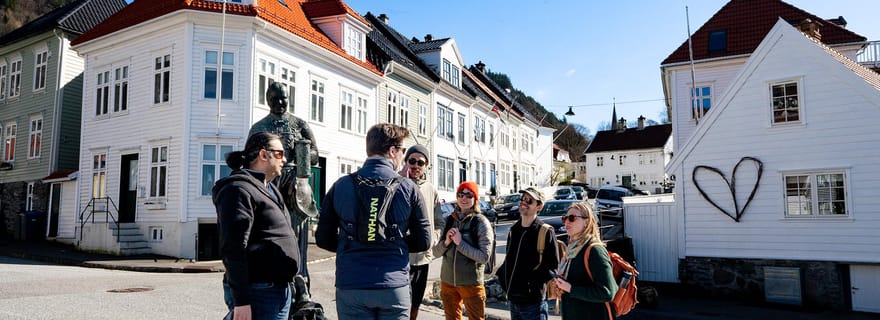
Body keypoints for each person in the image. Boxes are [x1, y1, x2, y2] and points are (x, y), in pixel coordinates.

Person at [316, 123, 432, 320]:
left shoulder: (341, 186)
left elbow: (323, 238)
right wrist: (395, 243)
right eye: (403, 151)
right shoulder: (409, 189)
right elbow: (424, 241)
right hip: (393, 284)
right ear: (392, 151)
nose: (403, 157)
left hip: (352, 283)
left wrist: (353, 243)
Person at [213, 132, 301, 320]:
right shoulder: (238, 189)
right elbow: (233, 247)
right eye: (279, 153)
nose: (284, 159)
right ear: (263, 155)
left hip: (277, 289)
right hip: (259, 291)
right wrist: (242, 301)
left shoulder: (268, 188)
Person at [249, 82, 318, 280]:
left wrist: (303, 153)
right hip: (270, 182)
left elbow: (315, 154)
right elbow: (249, 158)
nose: (279, 103)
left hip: (296, 182)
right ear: (267, 100)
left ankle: (299, 275)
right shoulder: (259, 128)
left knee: (297, 229)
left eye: (283, 99)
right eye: (274, 99)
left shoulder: (300, 125)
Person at [432, 181, 494, 320]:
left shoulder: (481, 222)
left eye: (468, 195)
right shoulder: (448, 221)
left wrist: (460, 243)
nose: (464, 198)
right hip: (448, 283)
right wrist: (447, 242)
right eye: (461, 194)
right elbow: (435, 252)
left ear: (475, 198)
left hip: (471, 284)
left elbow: (484, 257)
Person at [495, 187, 559, 320]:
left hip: (533, 303)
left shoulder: (545, 232)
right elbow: (509, 260)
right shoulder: (514, 229)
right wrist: (503, 280)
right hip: (513, 300)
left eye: (529, 200)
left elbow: (552, 267)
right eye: (522, 199)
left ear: (539, 207)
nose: (524, 202)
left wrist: (531, 285)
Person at [399, 144, 444, 320]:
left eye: (420, 162)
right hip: (400, 256)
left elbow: (439, 221)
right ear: (406, 162)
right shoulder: (396, 182)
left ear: (426, 166)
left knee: (415, 302)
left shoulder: (431, 189)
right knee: (398, 302)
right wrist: (400, 181)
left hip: (422, 257)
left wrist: (433, 238)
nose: (416, 165)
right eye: (412, 161)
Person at [551, 202, 618, 320]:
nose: (566, 222)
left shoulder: (594, 250)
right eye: (565, 218)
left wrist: (570, 289)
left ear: (586, 222)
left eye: (572, 218)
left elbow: (608, 292)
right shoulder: (572, 249)